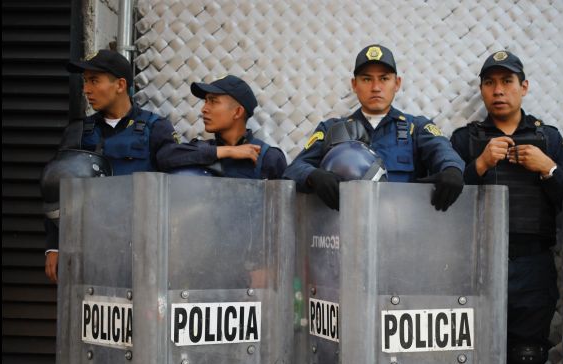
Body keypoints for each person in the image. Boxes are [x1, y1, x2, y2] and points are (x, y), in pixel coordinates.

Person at [450, 50, 563, 364]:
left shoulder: (547, 138)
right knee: (470, 363)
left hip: (531, 267)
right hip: (475, 267)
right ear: (482, 90)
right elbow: (440, 197)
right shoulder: (466, 140)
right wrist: (480, 165)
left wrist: (549, 169)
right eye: (490, 82)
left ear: (524, 87)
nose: (498, 90)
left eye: (507, 81)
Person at [43, 49, 181, 283]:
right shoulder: (78, 132)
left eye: (94, 81)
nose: (87, 89)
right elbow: (56, 191)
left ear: (120, 85)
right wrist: (54, 247)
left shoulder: (155, 128)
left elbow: (175, 189)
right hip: (89, 250)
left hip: (143, 249)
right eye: (85, 81)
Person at [283, 44, 464, 211]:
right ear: (354, 84)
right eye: (366, 79)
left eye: (384, 78)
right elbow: (293, 169)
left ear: (397, 83)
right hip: (345, 226)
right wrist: (312, 176)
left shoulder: (416, 128)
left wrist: (452, 170)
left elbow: (443, 151)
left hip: (401, 225)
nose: (376, 87)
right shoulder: (332, 129)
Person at [156, 75, 286, 178]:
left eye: (213, 101)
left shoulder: (268, 157)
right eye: (206, 101)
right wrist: (227, 151)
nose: (204, 109)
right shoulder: (202, 149)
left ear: (237, 112)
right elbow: (163, 157)